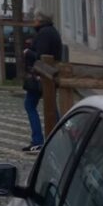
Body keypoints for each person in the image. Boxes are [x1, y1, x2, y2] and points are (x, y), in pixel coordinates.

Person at [22, 10, 63, 153]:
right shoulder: (50, 31)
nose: (33, 21)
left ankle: (38, 140)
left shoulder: (44, 33)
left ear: (40, 20)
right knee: (51, 106)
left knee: (30, 105)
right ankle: (60, 136)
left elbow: (41, 56)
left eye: (35, 18)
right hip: (47, 76)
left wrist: (28, 52)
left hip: (43, 76)